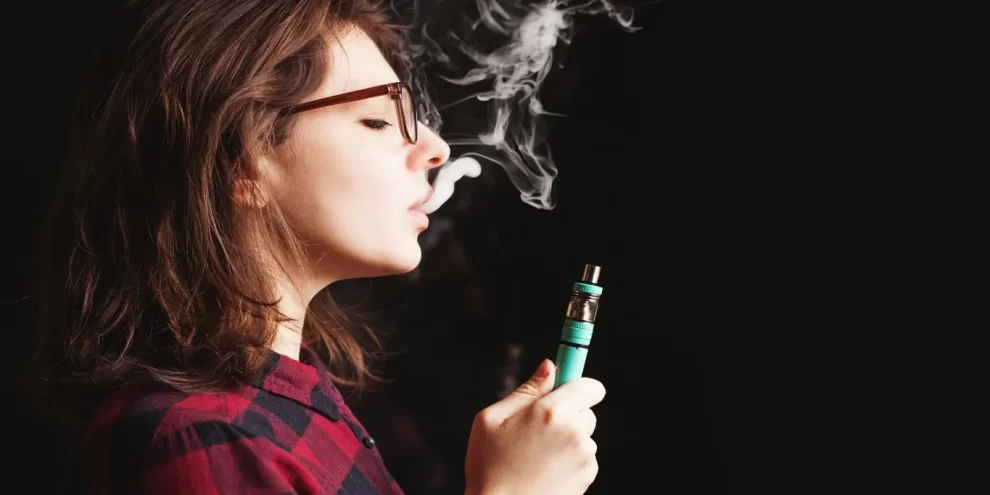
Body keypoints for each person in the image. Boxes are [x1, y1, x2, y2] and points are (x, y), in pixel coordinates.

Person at [30, 0, 606, 494]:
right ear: (242, 162)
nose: (435, 148)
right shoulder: (202, 440)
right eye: (378, 121)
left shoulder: (304, 398)